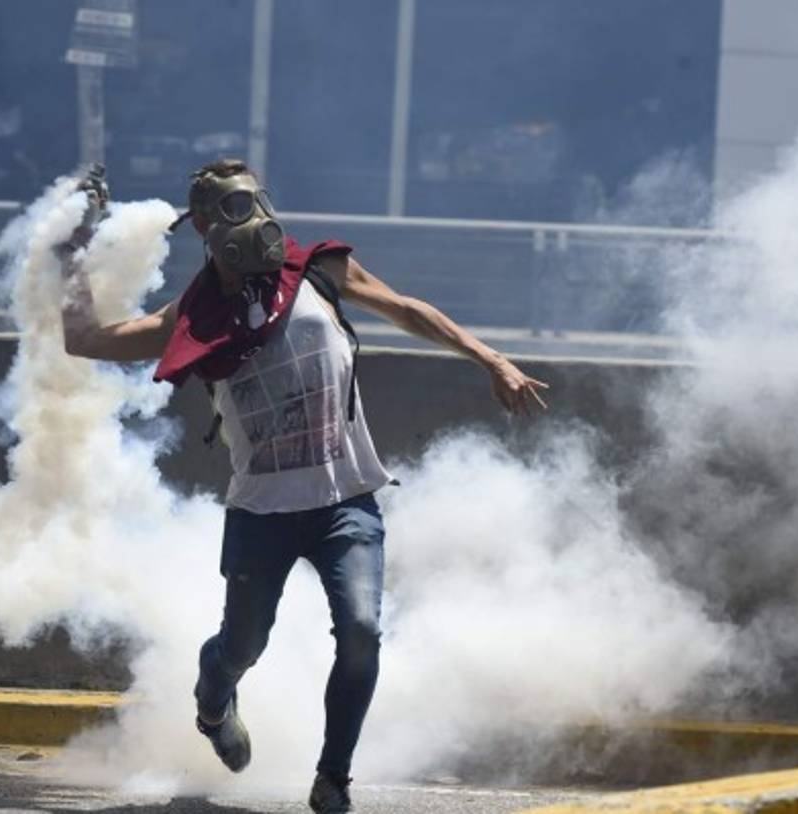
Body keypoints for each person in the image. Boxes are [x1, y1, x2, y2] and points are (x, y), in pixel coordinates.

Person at [58, 159, 548, 813]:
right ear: (202, 228)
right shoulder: (196, 317)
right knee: (243, 645)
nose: (248, 220)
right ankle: (213, 704)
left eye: (252, 202)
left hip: (347, 499)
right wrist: (73, 242)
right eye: (229, 210)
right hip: (264, 510)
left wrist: (491, 357)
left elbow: (406, 310)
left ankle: (332, 780)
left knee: (362, 631)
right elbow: (85, 339)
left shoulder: (315, 271)